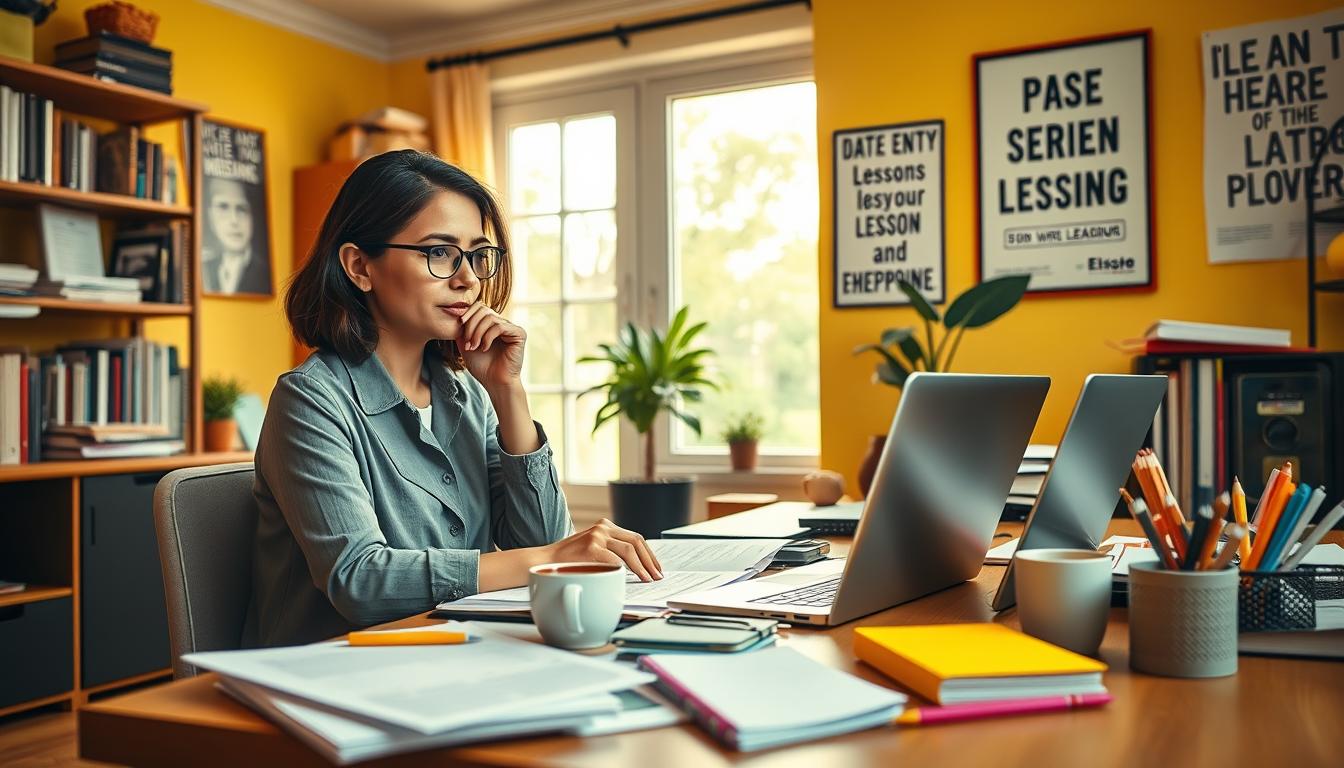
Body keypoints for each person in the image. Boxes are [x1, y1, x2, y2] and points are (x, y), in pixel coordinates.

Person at [246, 150, 663, 647]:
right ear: (360, 266)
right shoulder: (311, 400)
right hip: (328, 675)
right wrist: (546, 558)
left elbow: (540, 540)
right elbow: (359, 581)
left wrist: (508, 391)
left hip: (454, 650)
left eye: (476, 255)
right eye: (439, 253)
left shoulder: (465, 391)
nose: (467, 278)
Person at [202, 176, 271, 295]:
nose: (234, 220)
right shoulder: (204, 269)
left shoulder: (264, 273)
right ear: (210, 216)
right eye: (223, 207)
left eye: (242, 209)